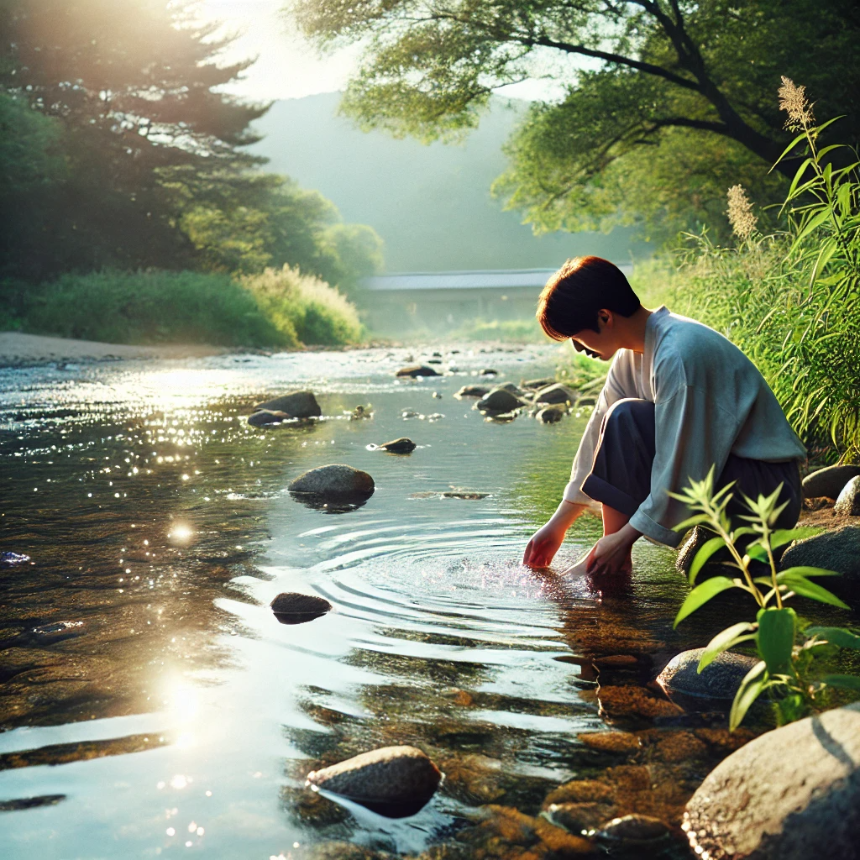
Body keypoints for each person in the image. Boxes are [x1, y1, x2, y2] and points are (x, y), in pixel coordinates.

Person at [522, 256, 806, 577]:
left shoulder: (679, 353)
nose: (576, 347)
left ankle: (613, 552)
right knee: (619, 418)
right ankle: (610, 561)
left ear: (604, 317)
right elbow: (597, 436)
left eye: (576, 335)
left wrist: (626, 538)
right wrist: (557, 525)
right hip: (727, 479)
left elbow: (684, 462)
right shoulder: (634, 353)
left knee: (625, 416)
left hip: (765, 493)